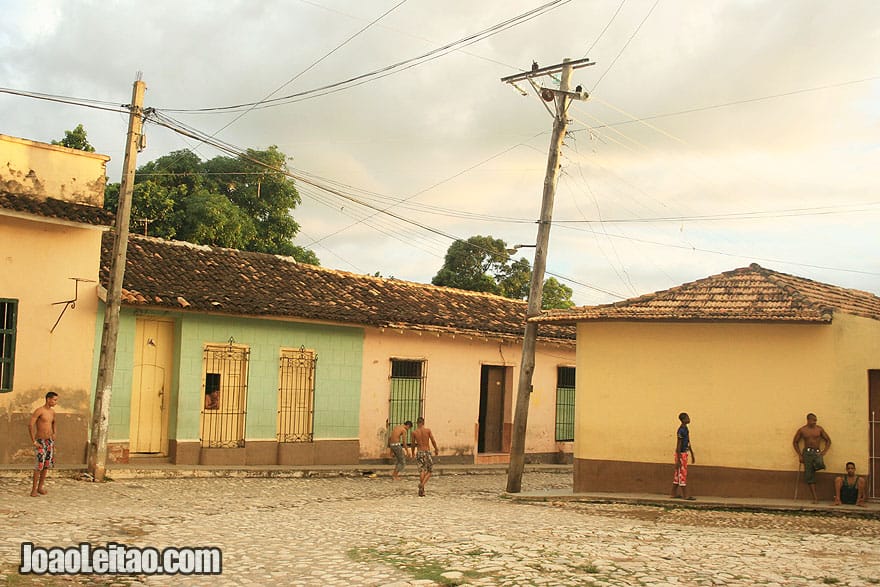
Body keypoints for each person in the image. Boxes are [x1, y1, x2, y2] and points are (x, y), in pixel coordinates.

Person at [792, 413, 831, 503]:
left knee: (821, 465)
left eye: (816, 420)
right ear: (808, 420)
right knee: (809, 475)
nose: (815, 422)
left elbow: (828, 440)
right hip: (807, 453)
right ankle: (815, 498)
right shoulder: (802, 430)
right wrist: (800, 455)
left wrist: (824, 451)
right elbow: (795, 442)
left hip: (817, 453)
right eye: (813, 420)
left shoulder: (819, 429)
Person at [28, 391, 58, 497]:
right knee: (39, 465)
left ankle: (40, 487)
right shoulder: (39, 411)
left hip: (49, 441)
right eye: (54, 400)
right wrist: (34, 441)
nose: (55, 402)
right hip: (40, 441)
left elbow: (54, 422)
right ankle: (34, 489)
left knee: (46, 465)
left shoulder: (52, 412)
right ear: (48, 399)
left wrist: (54, 433)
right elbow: (30, 425)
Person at [410, 417, 438, 497]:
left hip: (419, 452)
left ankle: (422, 491)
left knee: (422, 471)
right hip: (426, 452)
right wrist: (436, 449)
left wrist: (412, 453)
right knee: (430, 470)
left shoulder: (414, 432)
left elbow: (412, 444)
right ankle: (422, 485)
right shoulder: (428, 431)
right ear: (423, 423)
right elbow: (433, 440)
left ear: (417, 423)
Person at [671, 412, 696, 500]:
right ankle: (685, 495)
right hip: (680, 454)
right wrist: (678, 459)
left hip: (684, 453)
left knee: (677, 474)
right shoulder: (680, 430)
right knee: (682, 474)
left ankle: (673, 493)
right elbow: (678, 445)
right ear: (683, 419)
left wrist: (692, 453)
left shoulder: (686, 429)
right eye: (687, 417)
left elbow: (688, 442)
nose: (689, 419)